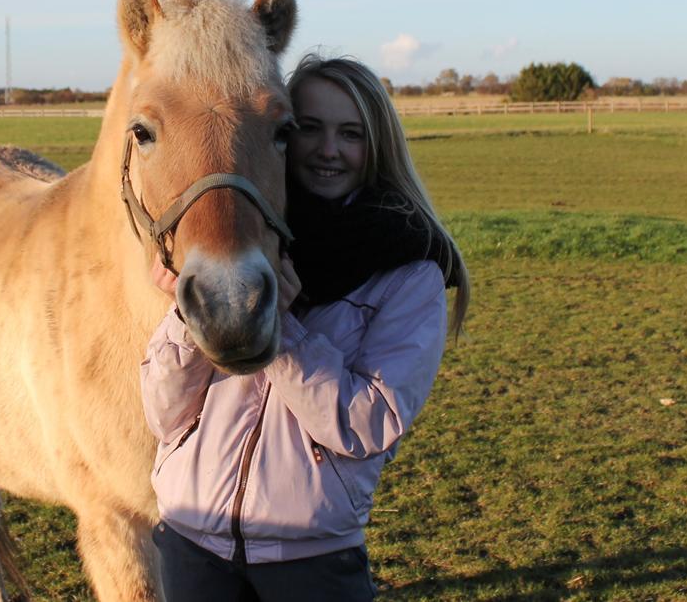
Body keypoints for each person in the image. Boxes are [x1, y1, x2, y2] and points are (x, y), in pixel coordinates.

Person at [141, 55, 469, 601]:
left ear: (378, 145)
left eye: (351, 133)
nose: (327, 149)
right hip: (191, 540)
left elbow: (369, 424)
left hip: (308, 556)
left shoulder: (410, 269)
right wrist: (188, 313)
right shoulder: (236, 247)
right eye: (308, 129)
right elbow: (163, 414)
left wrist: (282, 328)